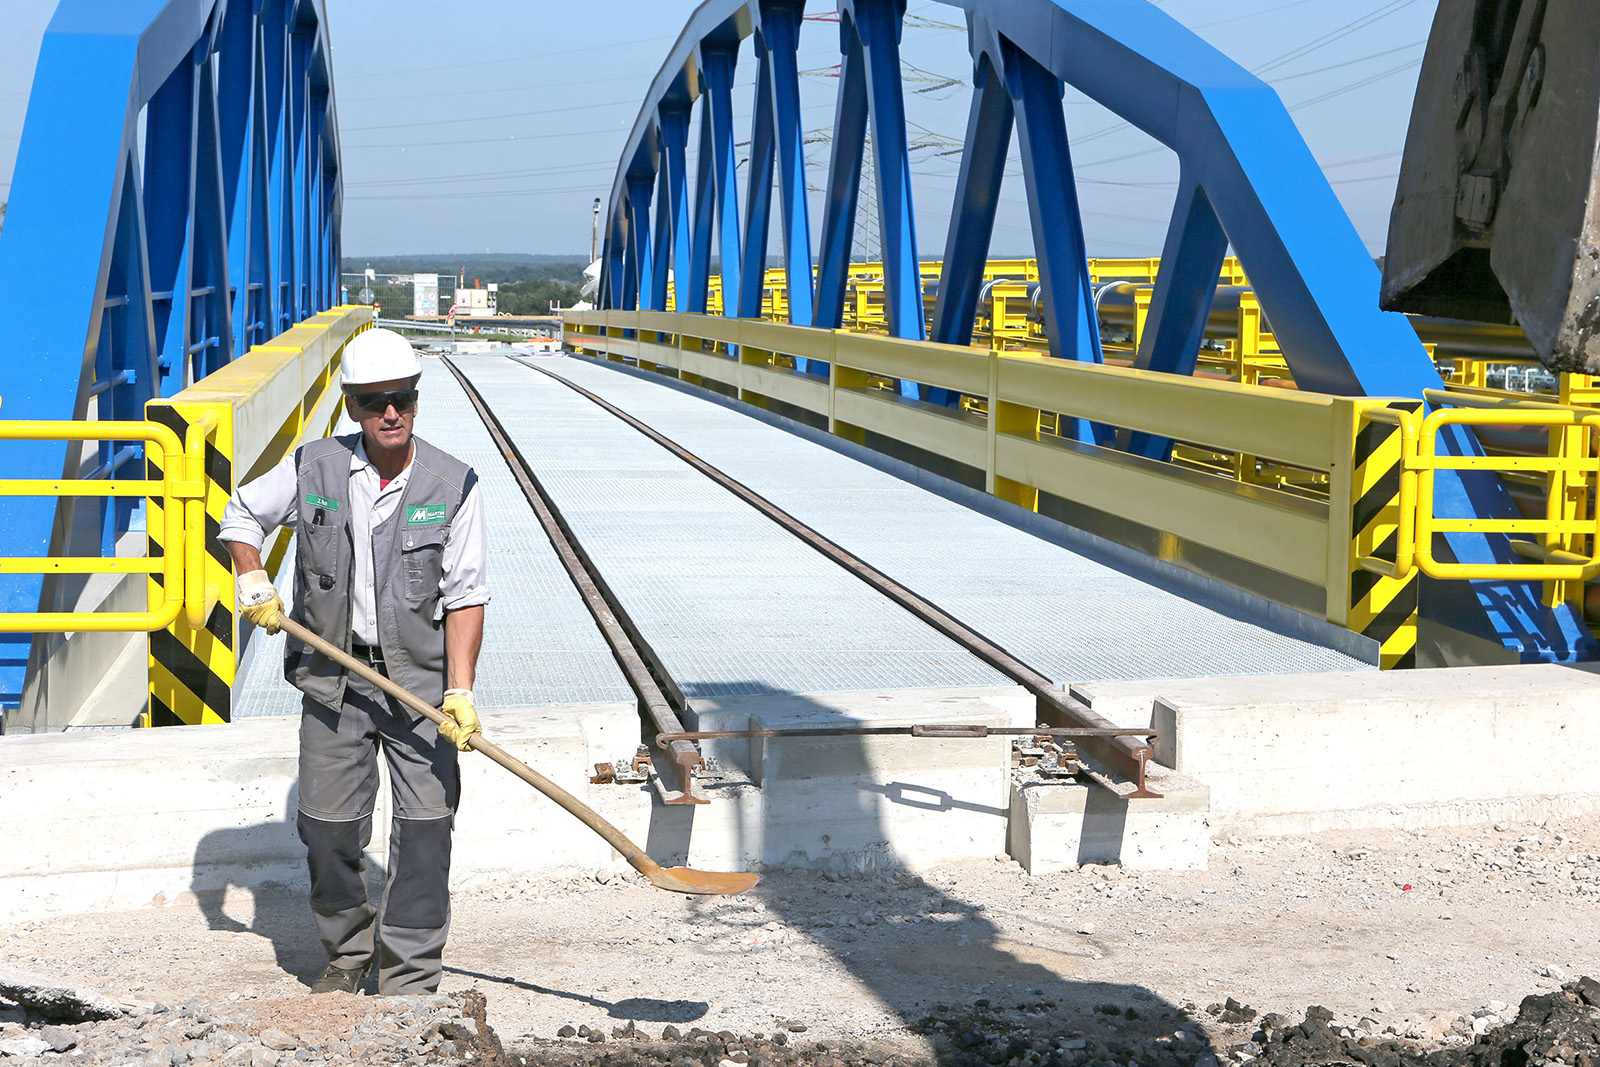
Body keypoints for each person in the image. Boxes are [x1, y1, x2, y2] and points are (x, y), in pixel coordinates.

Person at [218, 327, 490, 995]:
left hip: (421, 683)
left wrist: (460, 690)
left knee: (426, 831)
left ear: (417, 401)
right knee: (327, 829)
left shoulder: (453, 483)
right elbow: (241, 514)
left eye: (400, 398)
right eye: (373, 402)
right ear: (351, 406)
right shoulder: (314, 468)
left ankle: (410, 975)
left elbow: (466, 595)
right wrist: (253, 577)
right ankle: (347, 952)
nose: (389, 412)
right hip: (334, 677)